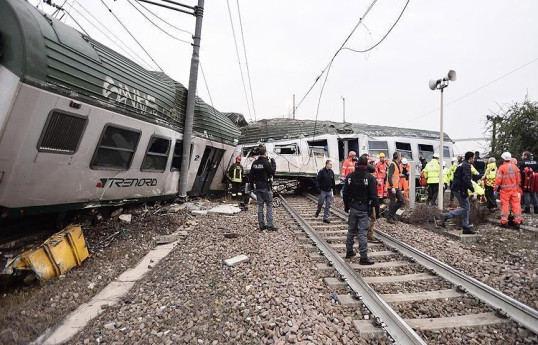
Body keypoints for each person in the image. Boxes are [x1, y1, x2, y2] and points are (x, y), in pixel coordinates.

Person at [343, 155, 379, 264]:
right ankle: (363, 257)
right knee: (362, 233)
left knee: (351, 230)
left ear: (357, 164)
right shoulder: (370, 177)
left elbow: (345, 193)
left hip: (353, 207)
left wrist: (346, 206)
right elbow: (374, 196)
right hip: (363, 208)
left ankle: (349, 251)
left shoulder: (350, 176)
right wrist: (377, 212)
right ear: (366, 164)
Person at [438, 151, 476, 234]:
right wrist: (473, 191)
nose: (474, 159)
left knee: (466, 207)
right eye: (473, 158)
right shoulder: (466, 166)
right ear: (470, 158)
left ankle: (466, 227)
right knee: (466, 208)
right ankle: (447, 216)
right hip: (460, 189)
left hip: (456, 187)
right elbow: (466, 179)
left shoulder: (461, 164)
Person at [249, 147, 277, 231]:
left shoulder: (254, 163)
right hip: (265, 187)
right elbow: (272, 172)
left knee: (260, 205)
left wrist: (251, 187)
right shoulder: (265, 163)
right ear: (265, 153)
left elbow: (250, 176)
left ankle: (261, 225)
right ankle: (269, 225)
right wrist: (273, 163)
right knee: (269, 204)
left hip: (258, 187)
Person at [495, 152, 522, 228]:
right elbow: (518, 179)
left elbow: (498, 180)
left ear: (503, 158)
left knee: (505, 205)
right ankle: (517, 222)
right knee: (516, 205)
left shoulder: (502, 167)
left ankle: (504, 222)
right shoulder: (515, 167)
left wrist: (495, 188)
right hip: (514, 190)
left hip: (505, 190)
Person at [360, 154, 380, 242]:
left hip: (360, 200)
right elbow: (372, 170)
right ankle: (368, 235)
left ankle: (361, 233)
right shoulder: (368, 173)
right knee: (372, 216)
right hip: (367, 200)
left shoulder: (358, 172)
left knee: (362, 217)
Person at [386, 152, 404, 224]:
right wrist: (392, 187)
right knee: (392, 202)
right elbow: (389, 176)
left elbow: (395, 175)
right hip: (392, 187)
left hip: (396, 186)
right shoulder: (393, 165)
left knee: (401, 199)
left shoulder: (397, 165)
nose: (401, 157)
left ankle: (392, 214)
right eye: (400, 156)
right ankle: (390, 217)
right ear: (397, 157)